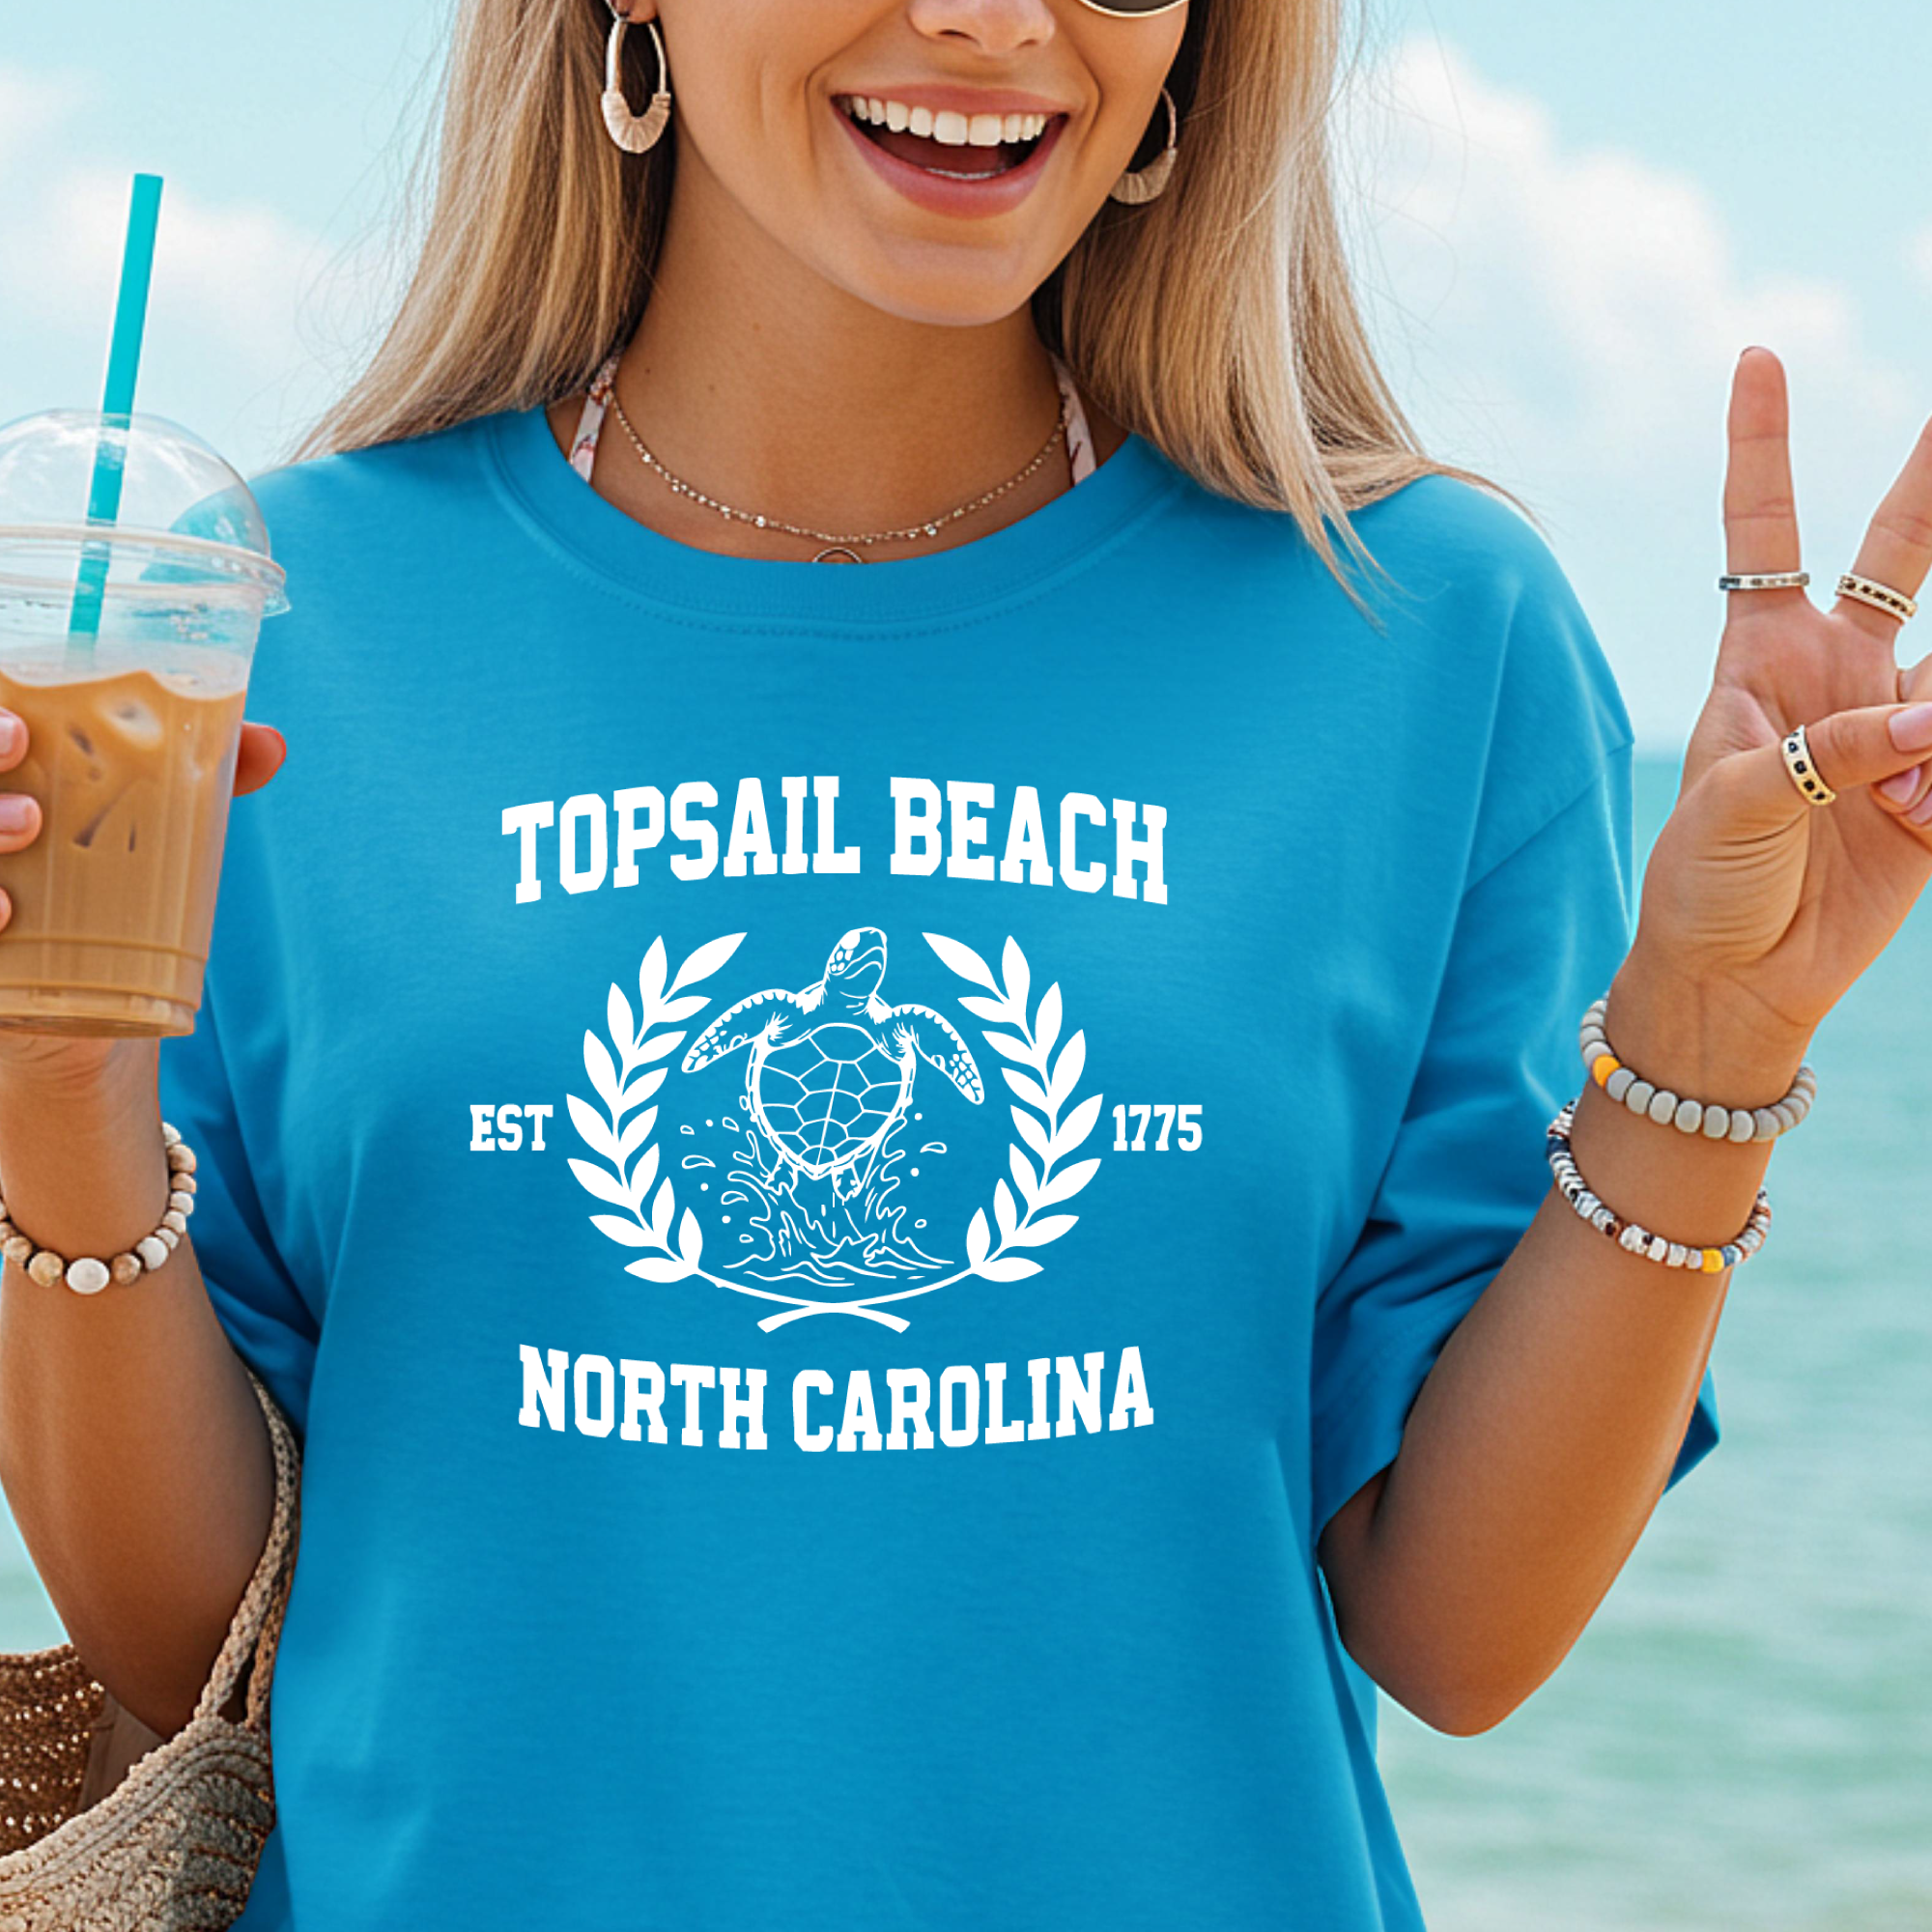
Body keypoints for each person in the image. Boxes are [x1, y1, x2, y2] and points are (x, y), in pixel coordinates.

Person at [0, 0, 1927, 1925]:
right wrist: (56, 1101)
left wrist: (1711, 1029)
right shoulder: (258, 632)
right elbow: (201, 1649)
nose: (995, 21)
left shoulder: (1423, 632)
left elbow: (1458, 1630)